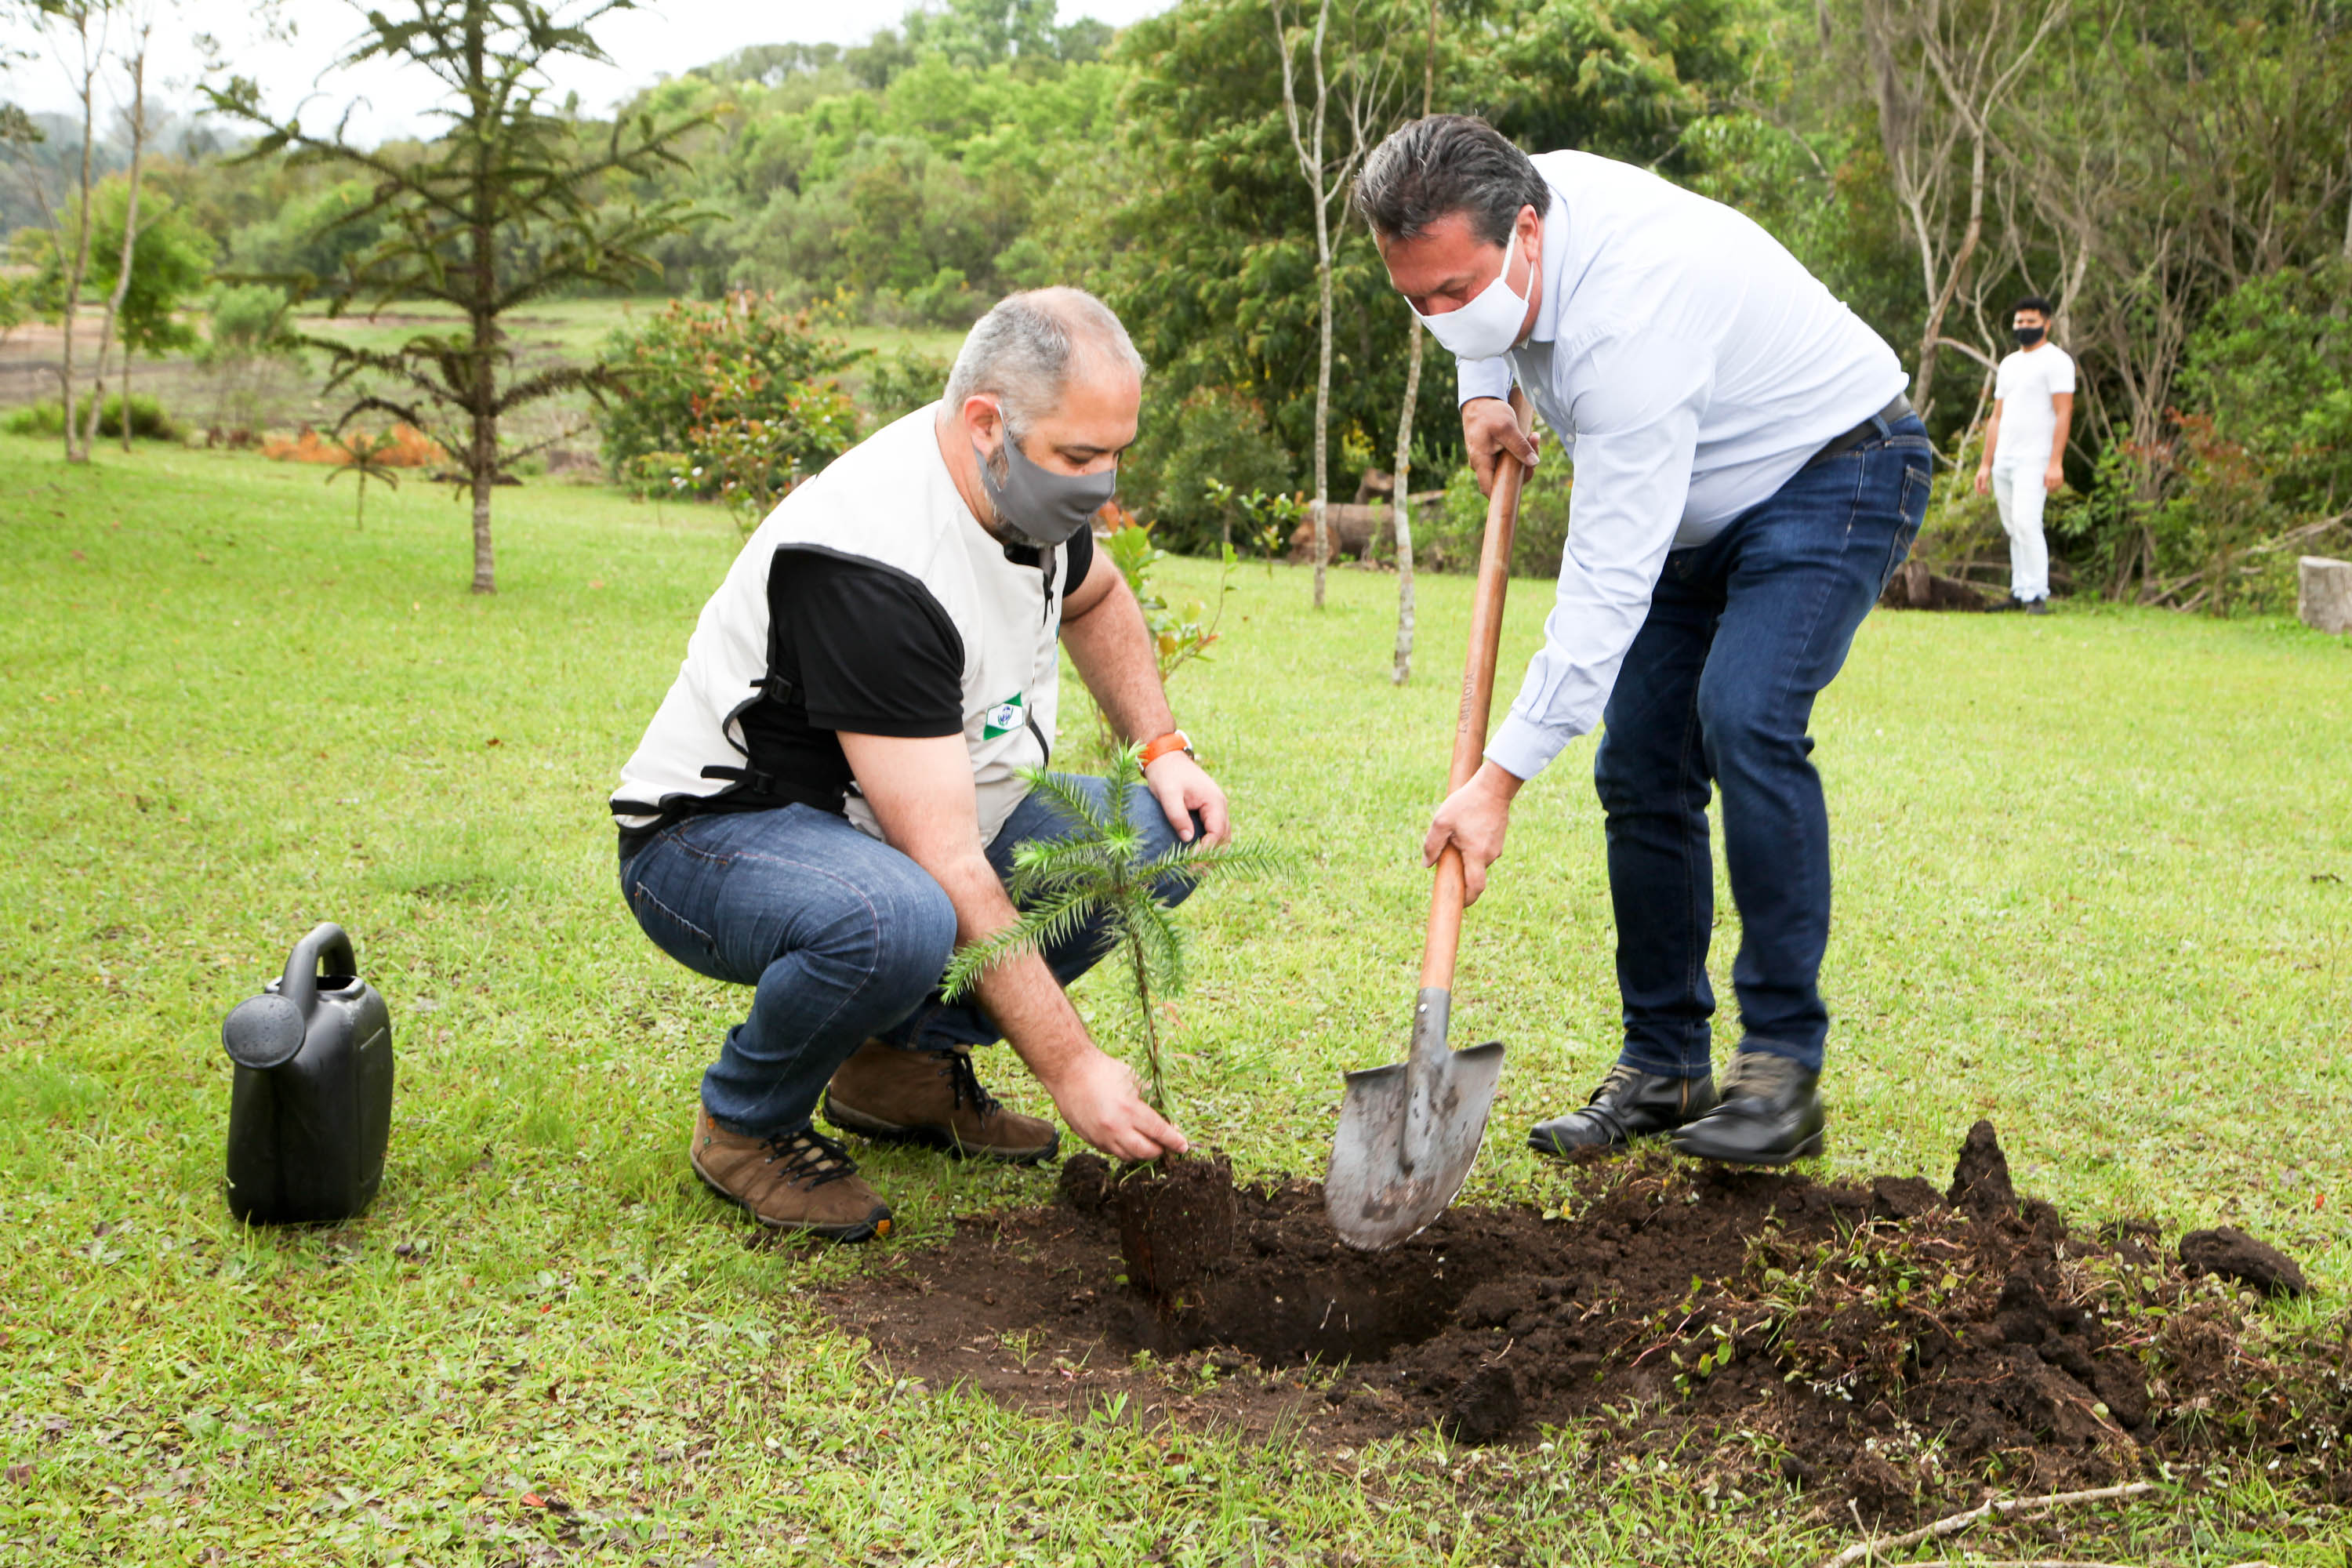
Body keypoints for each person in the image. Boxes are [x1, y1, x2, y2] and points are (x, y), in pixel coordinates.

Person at [1355, 115, 1932, 1167]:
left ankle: (1780, 1075)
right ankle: (1666, 1066)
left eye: (1456, 292)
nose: (1442, 315)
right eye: (1417, 299)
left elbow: (1605, 584)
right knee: (1639, 763)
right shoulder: (1507, 223)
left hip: (1833, 467)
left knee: (1745, 716)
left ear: (1525, 231)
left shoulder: (1632, 312)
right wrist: (1484, 392)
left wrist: (1498, 781)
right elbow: (1483, 321)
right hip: (1689, 501)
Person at [608, 289, 1227, 1241]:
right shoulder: (878, 560)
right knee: (899, 915)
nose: (1102, 485)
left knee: (1149, 833)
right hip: (718, 836)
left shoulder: (1022, 492)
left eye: (1116, 453)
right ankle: (747, 1121)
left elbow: (1097, 598)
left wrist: (1163, 748)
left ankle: (901, 1067)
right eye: (1079, 457)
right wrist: (1072, 1065)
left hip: (917, 827)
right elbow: (942, 861)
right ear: (988, 423)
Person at [1974, 295, 2074, 614]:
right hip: (2005, 456)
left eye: (2031, 322)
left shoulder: (2057, 361)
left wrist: (2056, 462)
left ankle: (2037, 594)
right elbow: (1997, 416)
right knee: (2012, 525)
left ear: (2046, 324)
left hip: (2036, 457)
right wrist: (1986, 464)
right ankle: (2019, 590)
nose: (2024, 327)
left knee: (2027, 521)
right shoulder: (2009, 364)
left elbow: (2063, 412)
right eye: (2019, 322)